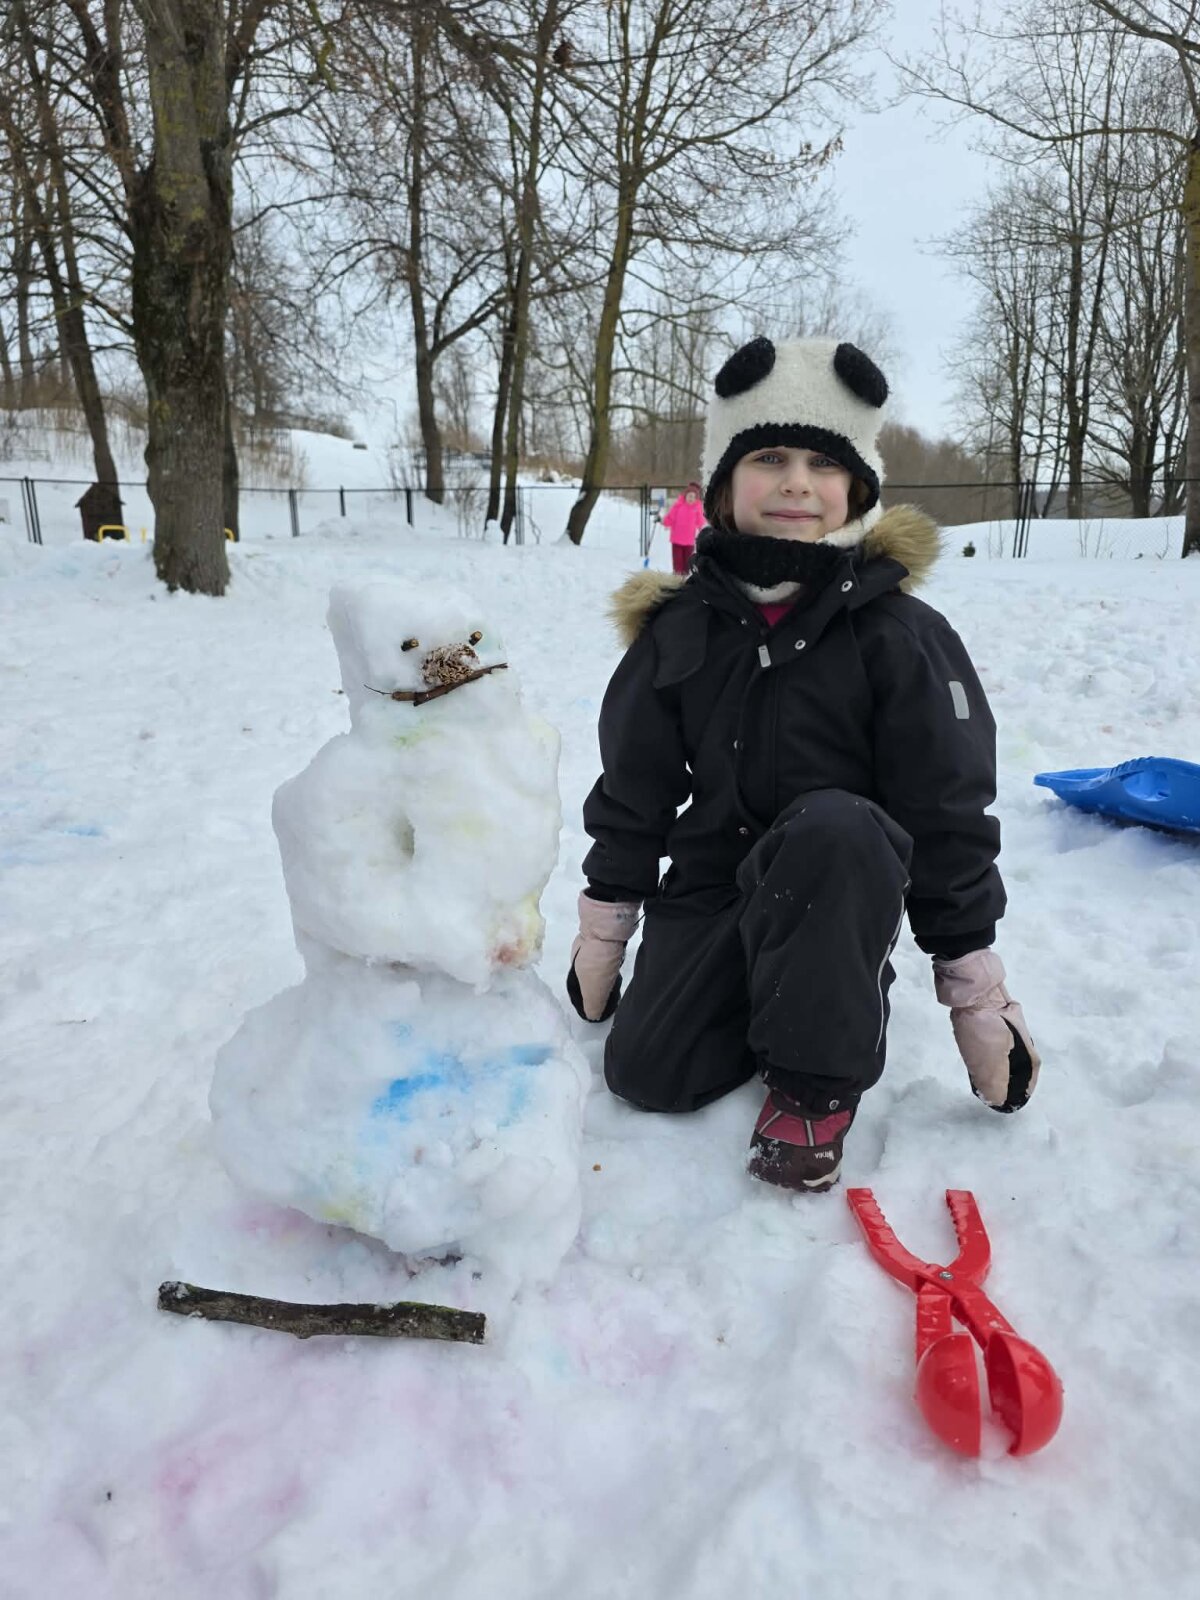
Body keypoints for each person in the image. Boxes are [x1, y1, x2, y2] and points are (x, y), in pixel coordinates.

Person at [566, 336, 1040, 1192]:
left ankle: (815, 1079)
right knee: (647, 1077)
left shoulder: (900, 635)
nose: (796, 483)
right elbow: (635, 789)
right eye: (769, 458)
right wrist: (606, 929)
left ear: (856, 488)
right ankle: (776, 991)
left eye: (823, 463)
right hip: (714, 888)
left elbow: (946, 812)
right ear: (722, 485)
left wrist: (974, 987)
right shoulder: (678, 631)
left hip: (836, 884)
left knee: (837, 824)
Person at [660, 481, 706, 574]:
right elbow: (670, 517)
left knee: (687, 564)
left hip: (689, 541)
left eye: (693, 497)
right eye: (689, 496)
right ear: (685, 496)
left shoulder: (697, 508)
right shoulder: (678, 506)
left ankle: (686, 577)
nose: (691, 499)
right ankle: (677, 577)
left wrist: (703, 529)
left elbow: (701, 522)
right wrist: (665, 521)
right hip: (677, 540)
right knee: (677, 563)